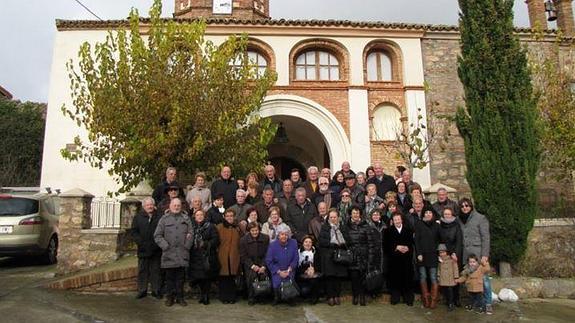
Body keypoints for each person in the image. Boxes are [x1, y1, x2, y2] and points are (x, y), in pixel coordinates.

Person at [154, 198, 193, 307]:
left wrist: (187, 246)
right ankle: (170, 298)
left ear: (181, 207)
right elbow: (157, 235)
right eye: (174, 205)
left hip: (182, 253)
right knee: (169, 278)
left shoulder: (186, 219)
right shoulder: (164, 219)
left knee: (181, 278)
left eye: (178, 205)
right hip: (169, 254)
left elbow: (191, 233)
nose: (176, 207)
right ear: (170, 206)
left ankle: (180, 297)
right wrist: (165, 246)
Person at [458, 198, 493, 315]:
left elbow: (485, 237)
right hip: (467, 256)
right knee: (471, 281)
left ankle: (488, 303)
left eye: (467, 205)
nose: (464, 208)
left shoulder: (480, 218)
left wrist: (485, 255)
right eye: (462, 206)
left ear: (471, 206)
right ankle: (475, 303)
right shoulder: (459, 219)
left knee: (484, 281)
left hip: (478, 255)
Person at [131, 197, 162, 299]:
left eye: (151, 205)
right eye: (147, 205)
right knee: (142, 271)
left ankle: (156, 290)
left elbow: (162, 231)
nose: (150, 207)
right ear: (144, 206)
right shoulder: (138, 217)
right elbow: (134, 232)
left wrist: (156, 244)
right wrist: (141, 243)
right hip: (143, 249)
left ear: (154, 205)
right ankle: (142, 290)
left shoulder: (159, 216)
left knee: (156, 271)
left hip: (156, 249)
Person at [346, 206, 377, 306]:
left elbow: (371, 243)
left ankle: (362, 296)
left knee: (363, 278)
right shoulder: (346, 226)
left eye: (357, 213)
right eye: (353, 213)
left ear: (360, 214)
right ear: (351, 214)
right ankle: (355, 295)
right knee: (354, 278)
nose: (355, 215)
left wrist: (370, 257)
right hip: (352, 257)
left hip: (364, 256)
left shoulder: (366, 226)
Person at [188, 209, 220, 305]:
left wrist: (205, 244)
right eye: (197, 215)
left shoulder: (210, 226)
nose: (199, 216)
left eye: (201, 215)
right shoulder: (191, 226)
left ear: (204, 216)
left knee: (206, 277)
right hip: (195, 255)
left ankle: (206, 295)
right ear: (195, 216)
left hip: (207, 255)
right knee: (198, 276)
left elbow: (216, 240)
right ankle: (202, 294)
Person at [318, 208, 349, 306]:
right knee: (330, 277)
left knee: (338, 277)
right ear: (328, 218)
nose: (333, 219)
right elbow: (321, 241)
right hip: (328, 255)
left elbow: (348, 240)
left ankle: (337, 296)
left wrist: (343, 243)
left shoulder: (343, 227)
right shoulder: (325, 227)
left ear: (338, 218)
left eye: (335, 217)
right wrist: (332, 244)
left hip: (340, 255)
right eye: (331, 217)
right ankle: (330, 296)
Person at [385, 212, 415, 306]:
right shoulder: (387, 231)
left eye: (398, 219)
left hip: (406, 259)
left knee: (407, 278)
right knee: (394, 278)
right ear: (392, 221)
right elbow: (385, 246)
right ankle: (395, 296)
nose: (397, 221)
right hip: (394, 259)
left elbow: (411, 244)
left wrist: (407, 248)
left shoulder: (408, 230)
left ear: (401, 219)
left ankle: (408, 298)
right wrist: (396, 247)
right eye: (395, 220)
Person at [265, 223, 299, 305]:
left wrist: (290, 269)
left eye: (286, 234)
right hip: (277, 270)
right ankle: (277, 297)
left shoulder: (293, 243)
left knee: (289, 281)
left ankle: (290, 298)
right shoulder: (273, 245)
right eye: (282, 234)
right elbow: (269, 260)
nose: (284, 236)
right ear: (278, 235)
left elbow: (296, 258)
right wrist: (278, 271)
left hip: (289, 269)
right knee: (277, 282)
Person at [415, 209, 441, 308]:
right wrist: (419, 253)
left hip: (433, 254)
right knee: (423, 276)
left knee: (433, 277)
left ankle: (433, 299)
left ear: (433, 215)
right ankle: (425, 298)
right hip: (422, 254)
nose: (428, 214)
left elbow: (440, 239)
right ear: (423, 215)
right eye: (426, 212)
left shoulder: (437, 225)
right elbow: (417, 239)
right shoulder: (419, 224)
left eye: (430, 212)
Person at [239, 222, 270, 305]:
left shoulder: (266, 238)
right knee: (251, 277)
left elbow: (267, 254)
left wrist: (263, 266)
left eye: (256, 230)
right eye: (252, 231)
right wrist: (252, 266)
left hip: (262, 263)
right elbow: (243, 256)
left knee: (263, 276)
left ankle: (262, 297)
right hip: (250, 264)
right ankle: (251, 297)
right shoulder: (243, 240)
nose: (255, 232)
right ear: (249, 231)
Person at [439, 207, 464, 307]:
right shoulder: (440, 226)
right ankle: (449, 300)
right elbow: (440, 241)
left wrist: (455, 254)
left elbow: (459, 241)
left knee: (455, 278)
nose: (447, 216)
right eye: (445, 214)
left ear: (452, 215)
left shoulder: (456, 226)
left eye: (449, 214)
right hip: (445, 255)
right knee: (446, 279)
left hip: (455, 256)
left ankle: (456, 298)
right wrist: (445, 253)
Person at [216, 208, 241, 304]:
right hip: (222, 255)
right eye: (227, 216)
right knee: (223, 278)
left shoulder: (237, 228)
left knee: (232, 277)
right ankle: (223, 297)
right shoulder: (219, 227)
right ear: (224, 217)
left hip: (234, 256)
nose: (229, 218)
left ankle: (232, 297)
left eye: (231, 216)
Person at [367, 208, 387, 294]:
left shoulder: (384, 226)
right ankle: (372, 290)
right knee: (371, 271)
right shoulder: (367, 226)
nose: (376, 216)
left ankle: (380, 289)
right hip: (371, 252)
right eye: (374, 215)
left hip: (382, 252)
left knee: (381, 270)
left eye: (378, 214)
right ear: (371, 216)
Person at [297, 235, 320, 305]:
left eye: (310, 242)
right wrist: (305, 271)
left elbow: (319, 264)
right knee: (304, 290)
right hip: (301, 274)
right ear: (303, 243)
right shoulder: (298, 252)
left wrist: (313, 269)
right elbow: (296, 266)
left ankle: (314, 298)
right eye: (306, 242)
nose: (308, 244)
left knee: (314, 280)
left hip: (314, 272)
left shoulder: (316, 252)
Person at [437, 243, 459, 312]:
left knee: (450, 291)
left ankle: (451, 303)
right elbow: (439, 269)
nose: (442, 254)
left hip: (450, 279)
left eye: (443, 252)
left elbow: (455, 268)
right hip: (443, 279)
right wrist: (438, 276)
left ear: (446, 252)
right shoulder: (440, 261)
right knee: (445, 291)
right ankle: (447, 301)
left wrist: (456, 277)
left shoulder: (452, 259)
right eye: (440, 252)